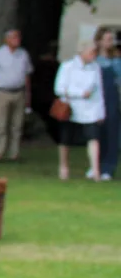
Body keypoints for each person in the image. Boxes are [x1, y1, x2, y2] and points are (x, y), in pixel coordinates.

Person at [54, 40, 106, 181]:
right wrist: (80, 93)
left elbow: (99, 91)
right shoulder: (67, 66)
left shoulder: (95, 67)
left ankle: (95, 170)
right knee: (66, 140)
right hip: (70, 108)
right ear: (82, 52)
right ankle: (64, 167)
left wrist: (101, 112)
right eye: (91, 52)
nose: (93, 55)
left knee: (93, 138)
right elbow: (59, 88)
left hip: (90, 110)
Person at [0, 28, 34, 160]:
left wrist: (28, 95)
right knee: (1, 124)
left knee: (17, 125)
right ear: (7, 39)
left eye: (18, 37)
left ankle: (14, 153)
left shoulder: (23, 54)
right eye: (14, 37)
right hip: (2, 92)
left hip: (19, 92)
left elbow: (27, 76)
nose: (17, 40)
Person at [96, 28, 121, 180]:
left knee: (112, 133)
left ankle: (108, 168)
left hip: (112, 100)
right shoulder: (94, 60)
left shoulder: (116, 61)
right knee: (97, 134)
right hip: (96, 100)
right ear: (99, 41)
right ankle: (96, 166)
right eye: (107, 39)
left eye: (112, 39)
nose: (110, 42)